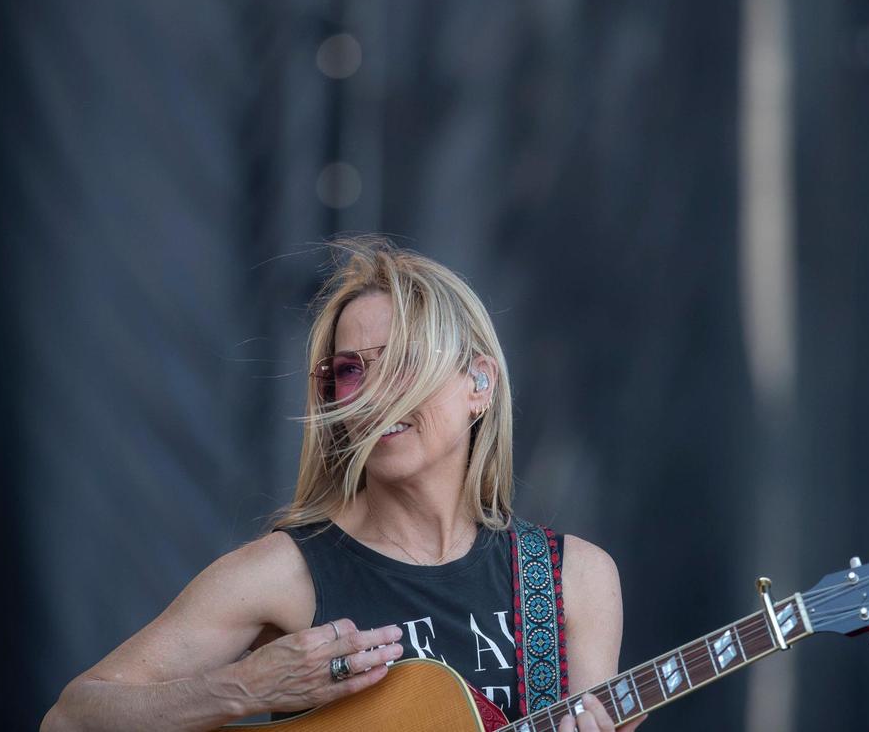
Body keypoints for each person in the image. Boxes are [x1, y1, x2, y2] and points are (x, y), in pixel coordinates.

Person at [42, 237, 646, 732]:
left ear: (479, 385)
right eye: (350, 370)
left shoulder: (575, 581)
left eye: (404, 360)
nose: (376, 394)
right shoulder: (284, 573)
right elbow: (71, 718)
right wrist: (244, 687)